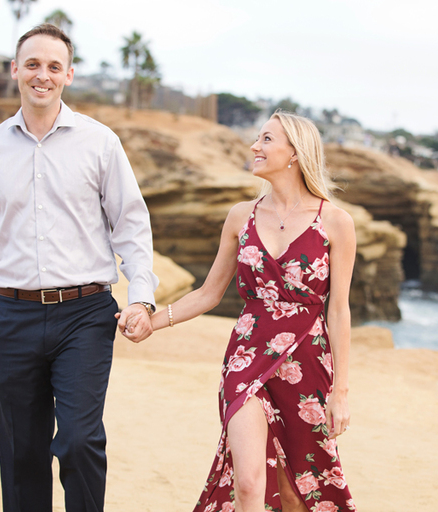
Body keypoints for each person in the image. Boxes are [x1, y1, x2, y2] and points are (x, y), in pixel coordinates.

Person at [0, 24, 157, 512]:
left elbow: (131, 224)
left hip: (85, 314)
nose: (42, 75)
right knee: (21, 454)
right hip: (9, 317)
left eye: (53, 66)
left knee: (80, 441)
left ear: (68, 75)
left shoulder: (100, 142)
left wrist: (141, 297)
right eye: (33, 64)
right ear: (15, 70)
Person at [129, 111, 357, 511]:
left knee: (297, 490)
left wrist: (341, 393)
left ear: (294, 152)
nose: (255, 146)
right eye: (258, 138)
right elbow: (208, 293)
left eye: (267, 139)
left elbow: (338, 311)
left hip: (306, 363)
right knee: (249, 483)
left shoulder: (336, 222)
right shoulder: (241, 215)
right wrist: (152, 321)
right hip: (247, 358)